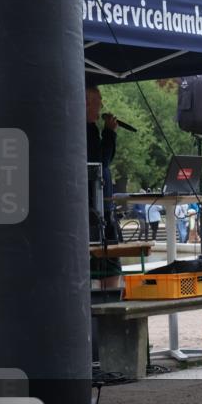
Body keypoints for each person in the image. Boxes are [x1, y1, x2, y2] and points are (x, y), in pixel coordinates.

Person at [86, 86, 121, 286]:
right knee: (109, 260)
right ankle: (109, 296)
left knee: (110, 259)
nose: (101, 106)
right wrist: (109, 133)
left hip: (101, 204)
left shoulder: (91, 129)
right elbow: (101, 161)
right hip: (96, 207)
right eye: (98, 102)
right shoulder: (87, 130)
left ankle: (110, 294)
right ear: (86, 103)